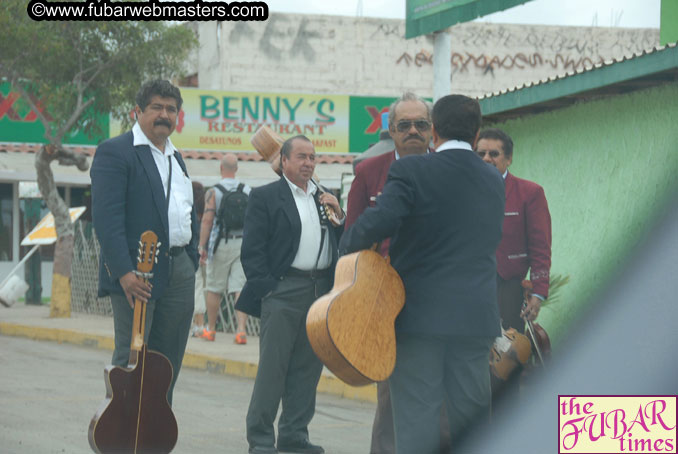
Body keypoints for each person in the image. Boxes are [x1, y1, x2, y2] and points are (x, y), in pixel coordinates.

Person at [339, 94, 505, 453]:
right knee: (472, 420)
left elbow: (380, 221)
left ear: (435, 131)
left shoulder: (410, 170)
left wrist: (346, 246)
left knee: (416, 422)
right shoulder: (494, 179)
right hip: (475, 319)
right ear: (476, 134)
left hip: (418, 318)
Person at [346, 92, 449, 454]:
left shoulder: (448, 170)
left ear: (432, 129)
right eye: (404, 125)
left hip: (439, 297)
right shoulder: (370, 172)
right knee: (391, 394)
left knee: (443, 394)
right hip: (385, 301)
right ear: (391, 130)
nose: (413, 132)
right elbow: (353, 236)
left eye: (421, 124)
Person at [91, 79, 199, 405]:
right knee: (131, 361)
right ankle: (122, 436)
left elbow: (183, 212)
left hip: (179, 270)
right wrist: (124, 273)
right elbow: (106, 219)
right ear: (137, 111)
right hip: (137, 273)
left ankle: (154, 431)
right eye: (156, 107)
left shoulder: (176, 157)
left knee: (166, 364)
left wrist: (190, 259)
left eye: (171, 109)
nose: (164, 114)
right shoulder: (116, 151)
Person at [236, 135, 344, 454]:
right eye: (301, 157)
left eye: (312, 157)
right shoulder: (266, 196)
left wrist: (340, 216)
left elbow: (344, 237)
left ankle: (294, 435)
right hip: (283, 290)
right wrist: (269, 288)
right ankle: (260, 438)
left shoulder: (325, 197)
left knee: (307, 368)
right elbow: (252, 252)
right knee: (274, 368)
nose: (308, 163)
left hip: (320, 291)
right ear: (283, 161)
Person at [475, 128, 552, 398]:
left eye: (493, 154)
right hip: (470, 289)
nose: (486, 159)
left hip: (509, 290)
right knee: (473, 365)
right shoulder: (464, 192)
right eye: (480, 153)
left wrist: (539, 293)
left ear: (508, 159)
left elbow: (541, 247)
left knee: (505, 366)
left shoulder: (529, 193)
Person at [197, 153, 251, 343]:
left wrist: (202, 246)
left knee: (214, 288)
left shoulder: (214, 192)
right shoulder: (247, 190)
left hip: (220, 244)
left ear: (221, 168)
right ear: (236, 169)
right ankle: (241, 330)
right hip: (243, 244)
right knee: (240, 288)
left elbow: (207, 220)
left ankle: (211, 329)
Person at [191, 181, 207, 336]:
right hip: (207, 255)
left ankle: (199, 324)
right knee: (203, 289)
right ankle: (201, 324)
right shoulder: (205, 210)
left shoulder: (191, 211)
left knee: (196, 288)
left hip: (194, 255)